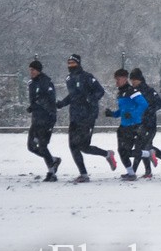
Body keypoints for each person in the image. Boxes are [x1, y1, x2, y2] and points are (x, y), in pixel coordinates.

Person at [56, 54, 115, 183]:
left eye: (73, 63)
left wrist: (90, 99)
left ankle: (106, 156)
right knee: (73, 146)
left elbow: (100, 91)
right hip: (74, 117)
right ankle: (84, 173)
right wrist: (62, 103)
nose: (70, 66)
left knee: (83, 146)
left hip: (87, 116)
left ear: (78, 63)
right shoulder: (68, 78)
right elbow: (72, 96)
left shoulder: (87, 77)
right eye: (69, 63)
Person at [104, 68, 148, 181]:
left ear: (124, 79)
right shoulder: (121, 93)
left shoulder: (132, 91)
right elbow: (123, 110)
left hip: (134, 126)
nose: (116, 82)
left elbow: (144, 104)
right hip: (123, 126)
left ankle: (148, 154)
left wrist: (133, 114)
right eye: (115, 79)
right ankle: (131, 173)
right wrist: (113, 114)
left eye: (118, 79)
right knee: (122, 151)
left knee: (126, 151)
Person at [129, 67, 161, 177]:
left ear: (140, 79)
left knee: (142, 147)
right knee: (145, 148)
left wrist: (149, 110)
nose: (132, 82)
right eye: (131, 80)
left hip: (149, 124)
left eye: (134, 80)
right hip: (139, 123)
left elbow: (160, 103)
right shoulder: (133, 91)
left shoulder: (148, 90)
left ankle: (134, 171)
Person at [26, 60, 61, 182]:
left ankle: (52, 173)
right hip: (36, 119)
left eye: (33, 70)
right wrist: (33, 106)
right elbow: (35, 100)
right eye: (30, 70)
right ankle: (54, 160)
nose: (31, 72)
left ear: (38, 70)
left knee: (42, 146)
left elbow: (51, 101)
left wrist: (39, 104)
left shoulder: (46, 82)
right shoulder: (32, 83)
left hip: (47, 119)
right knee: (31, 146)